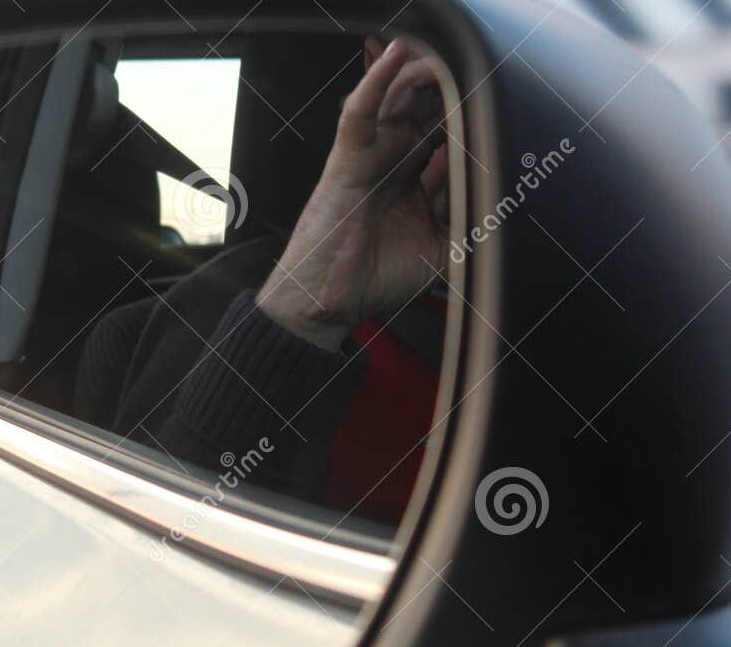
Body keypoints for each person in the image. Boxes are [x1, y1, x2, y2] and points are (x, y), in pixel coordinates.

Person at [74, 37, 451, 528]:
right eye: (453, 91)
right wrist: (308, 311)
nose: (493, 135)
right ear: (382, 65)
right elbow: (162, 554)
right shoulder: (210, 327)